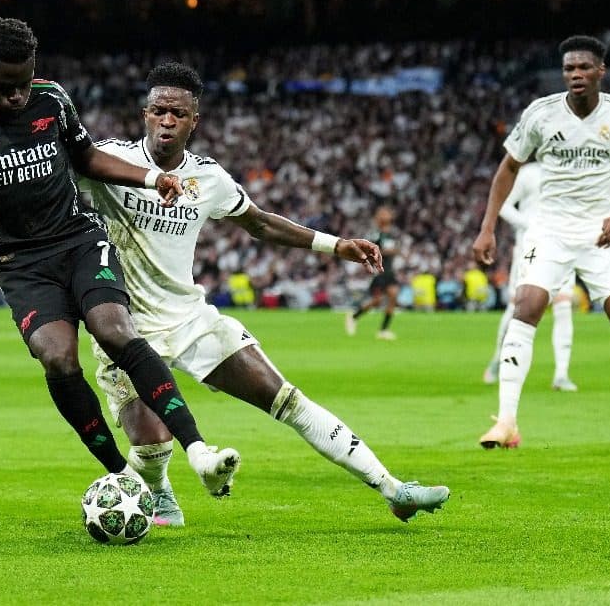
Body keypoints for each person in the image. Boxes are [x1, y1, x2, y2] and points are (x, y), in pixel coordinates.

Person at [0, 18, 240, 496]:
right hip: (19, 262)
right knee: (56, 357)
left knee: (115, 328)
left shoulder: (51, 97)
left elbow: (86, 157)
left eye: (25, 82)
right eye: (6, 87)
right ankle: (124, 479)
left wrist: (151, 178)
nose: (18, 96)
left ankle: (198, 450)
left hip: (77, 239)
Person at [80, 62, 450, 526]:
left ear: (195, 120)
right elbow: (52, 178)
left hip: (191, 319)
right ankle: (160, 496)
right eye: (159, 111)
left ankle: (394, 489)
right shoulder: (108, 161)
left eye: (178, 113)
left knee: (286, 399)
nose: (167, 121)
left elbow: (257, 222)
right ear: (144, 114)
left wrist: (334, 245)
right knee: (153, 445)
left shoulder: (208, 179)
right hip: (123, 328)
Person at [471, 35, 610, 464]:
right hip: (549, 229)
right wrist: (487, 226)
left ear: (601, 71)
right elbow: (507, 168)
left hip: (603, 232)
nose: (576, 75)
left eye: (584, 68)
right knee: (526, 306)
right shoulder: (541, 114)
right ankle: (507, 420)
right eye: (569, 68)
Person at [481, 162, 577, 392]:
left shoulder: (572, 170)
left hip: (564, 245)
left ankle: (561, 374)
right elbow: (503, 205)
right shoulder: (529, 172)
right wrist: (531, 224)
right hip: (531, 246)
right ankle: (498, 358)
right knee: (518, 306)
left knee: (563, 304)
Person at [343, 206, 401, 339]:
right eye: (382, 213)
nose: (386, 215)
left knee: (393, 296)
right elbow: (370, 250)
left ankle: (383, 330)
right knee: (378, 300)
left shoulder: (393, 233)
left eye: (387, 213)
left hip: (389, 270)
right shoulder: (375, 233)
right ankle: (354, 316)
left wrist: (394, 251)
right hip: (379, 270)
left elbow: (396, 248)